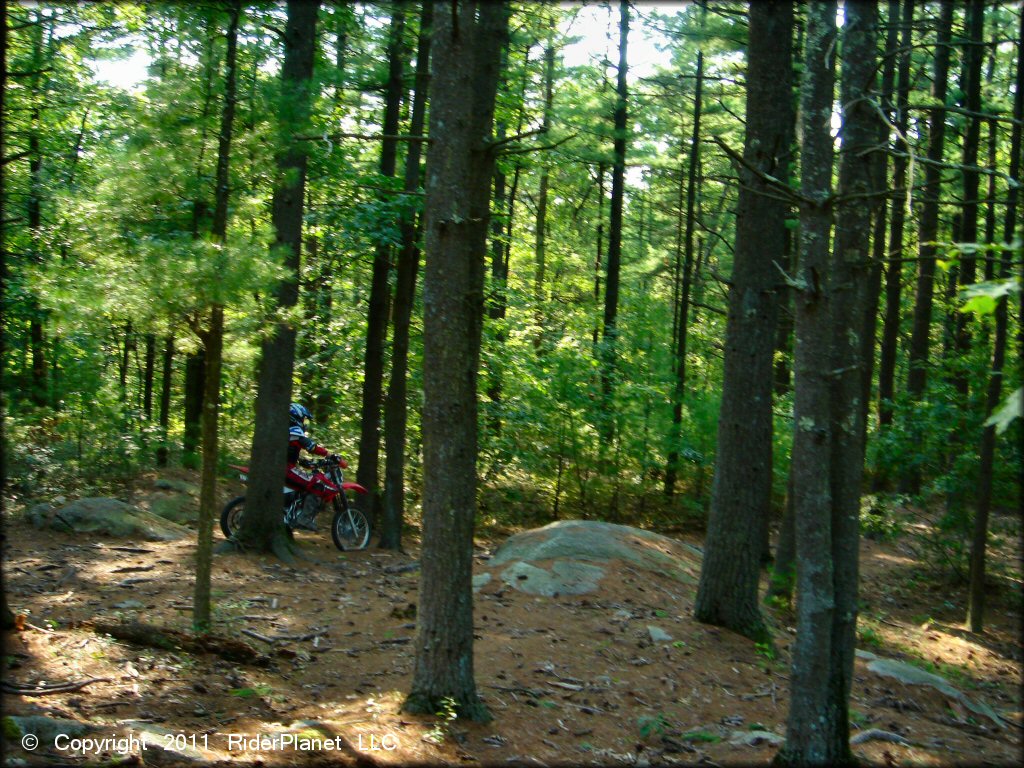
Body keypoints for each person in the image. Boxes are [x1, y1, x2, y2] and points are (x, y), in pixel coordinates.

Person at [286, 403, 342, 529]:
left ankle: (293, 513)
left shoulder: (285, 431)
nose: (304, 422)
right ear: (296, 417)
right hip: (286, 469)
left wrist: (303, 461)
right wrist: (329, 454)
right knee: (318, 484)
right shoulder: (293, 431)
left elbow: (289, 451)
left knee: (306, 482)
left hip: (285, 467)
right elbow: (311, 446)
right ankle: (304, 519)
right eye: (303, 419)